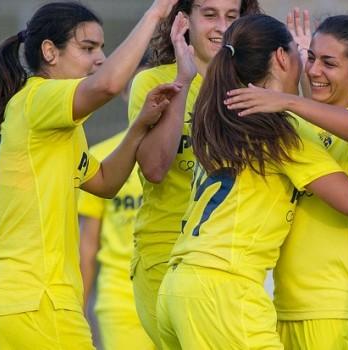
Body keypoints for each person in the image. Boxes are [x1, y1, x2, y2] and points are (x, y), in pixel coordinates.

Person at [155, 14, 348, 349]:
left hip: (327, 304)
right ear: (283, 58)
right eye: (308, 57)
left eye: (328, 62)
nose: (313, 70)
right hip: (232, 293)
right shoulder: (282, 132)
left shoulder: (236, 123)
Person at [0, 1, 180, 348]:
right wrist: (155, 14)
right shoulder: (39, 98)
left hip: (10, 305)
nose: (100, 58)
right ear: (50, 52)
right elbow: (109, 85)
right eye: (88, 48)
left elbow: (106, 182)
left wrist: (139, 126)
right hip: (38, 303)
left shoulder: (55, 123)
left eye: (102, 48)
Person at [127, 1, 260, 344]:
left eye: (232, 17)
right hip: (164, 255)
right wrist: (184, 81)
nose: (221, 27)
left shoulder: (254, 90)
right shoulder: (153, 82)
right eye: (210, 14)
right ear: (184, 19)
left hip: (227, 265)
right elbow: (155, 168)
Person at [77, 56, 154, 350]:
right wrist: (79, 309)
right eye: (140, 87)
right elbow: (88, 244)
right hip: (121, 301)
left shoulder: (188, 154)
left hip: (174, 296)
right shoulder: (101, 157)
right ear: (125, 93)